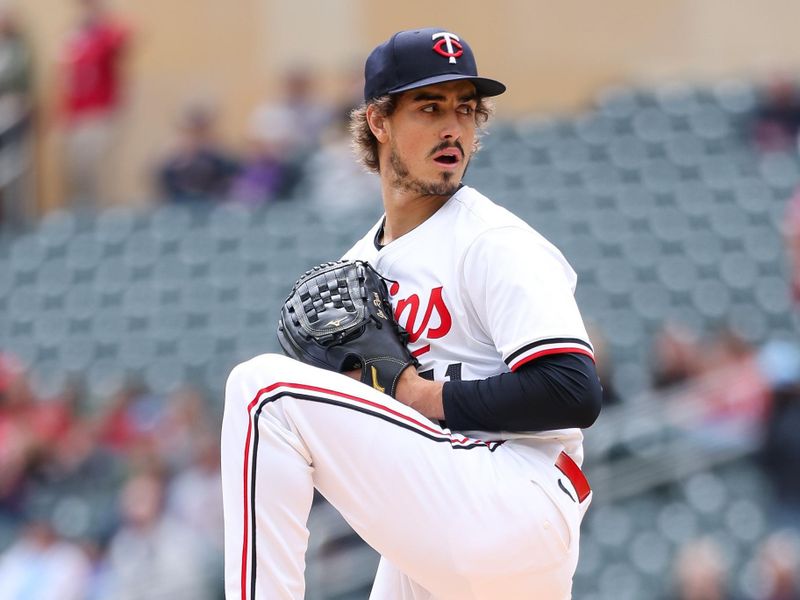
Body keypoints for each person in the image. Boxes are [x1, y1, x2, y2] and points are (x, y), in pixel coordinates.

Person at [221, 27, 602, 599]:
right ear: (378, 121)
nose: (454, 127)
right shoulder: (357, 267)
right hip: (451, 515)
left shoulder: (492, 240)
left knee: (262, 393)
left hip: (520, 494)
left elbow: (574, 391)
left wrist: (420, 397)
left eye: (467, 109)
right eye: (430, 108)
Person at [57, 0, 130, 208]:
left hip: (99, 112)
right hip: (75, 116)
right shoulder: (71, 38)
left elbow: (124, 36)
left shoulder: (105, 34)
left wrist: (102, 17)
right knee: (77, 172)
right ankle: (82, 214)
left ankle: (103, 213)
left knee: (101, 171)